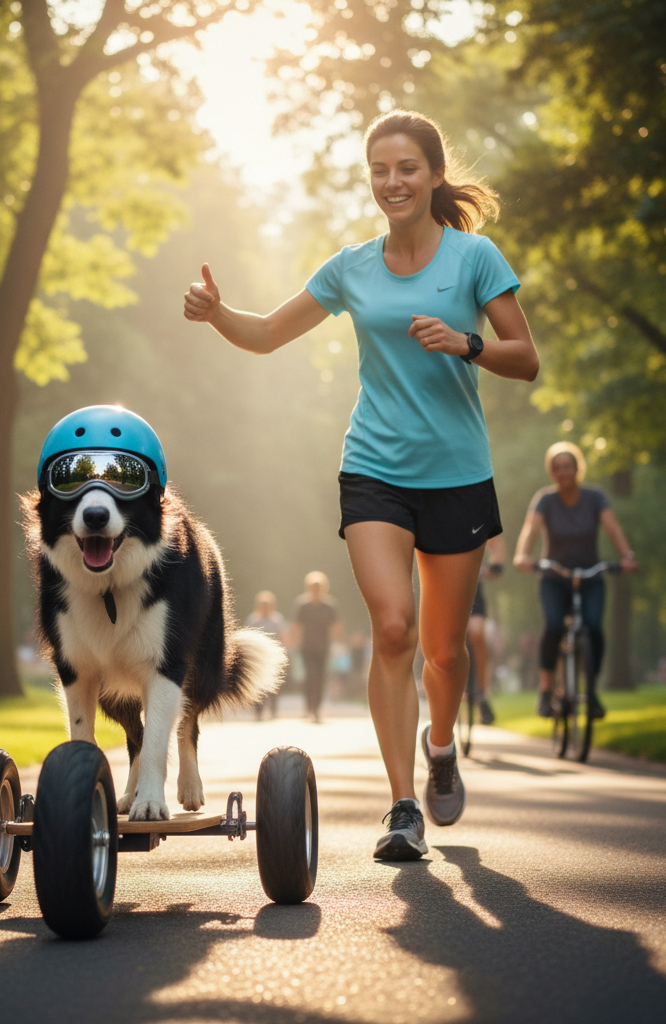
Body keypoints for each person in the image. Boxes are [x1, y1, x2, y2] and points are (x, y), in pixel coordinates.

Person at [184, 109, 539, 861]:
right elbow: (267, 334)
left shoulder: (474, 258)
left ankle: (440, 745)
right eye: (380, 169)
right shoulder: (351, 267)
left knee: (444, 652)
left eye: (407, 167)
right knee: (392, 630)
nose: (392, 182)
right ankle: (403, 805)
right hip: (374, 467)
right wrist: (218, 316)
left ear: (434, 175)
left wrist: (467, 343)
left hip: (459, 476)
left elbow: (525, 356)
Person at [513, 442, 637, 718]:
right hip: (554, 577)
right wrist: (523, 555)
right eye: (557, 468)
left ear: (577, 468)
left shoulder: (595, 497)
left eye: (567, 466)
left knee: (593, 628)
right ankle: (546, 692)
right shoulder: (545, 499)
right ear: (551, 472)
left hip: (590, 575)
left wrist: (626, 555)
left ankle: (591, 693)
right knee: (554, 626)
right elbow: (530, 530)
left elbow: (612, 527)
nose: (562, 472)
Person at [289, 571, 343, 722]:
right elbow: (296, 625)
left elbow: (336, 626)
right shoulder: (302, 604)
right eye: (313, 587)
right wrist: (295, 641)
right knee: (310, 676)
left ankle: (317, 709)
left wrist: (338, 644)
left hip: (324, 647)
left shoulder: (329, 605)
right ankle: (308, 708)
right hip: (306, 647)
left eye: (319, 587)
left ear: (324, 587)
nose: (316, 590)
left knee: (320, 678)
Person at [467, 534, 506, 725]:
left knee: (476, 632)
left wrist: (496, 563)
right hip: (441, 583)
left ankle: (482, 693)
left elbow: (495, 540)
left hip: (473, 587)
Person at [245, 590, 288, 719]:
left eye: (267, 605)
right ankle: (258, 711)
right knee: (257, 685)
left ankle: (274, 709)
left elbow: (284, 636)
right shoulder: (253, 619)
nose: (265, 607)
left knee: (275, 683)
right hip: (257, 657)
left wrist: (285, 653)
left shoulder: (277, 620)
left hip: (273, 657)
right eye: (262, 605)